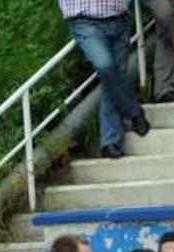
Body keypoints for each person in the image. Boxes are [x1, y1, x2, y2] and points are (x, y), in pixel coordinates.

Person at [59, 0, 151, 159]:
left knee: (114, 79)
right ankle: (134, 112)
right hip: (85, 21)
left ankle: (110, 141)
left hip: (119, 19)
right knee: (105, 66)